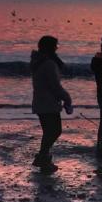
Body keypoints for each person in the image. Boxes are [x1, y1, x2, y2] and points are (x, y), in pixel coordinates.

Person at [30, 35, 73, 173]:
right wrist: (67, 98)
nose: (56, 48)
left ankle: (44, 161)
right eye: (55, 46)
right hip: (48, 103)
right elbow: (55, 86)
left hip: (41, 102)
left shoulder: (38, 61)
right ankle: (43, 157)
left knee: (49, 132)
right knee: (54, 131)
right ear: (50, 48)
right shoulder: (48, 64)